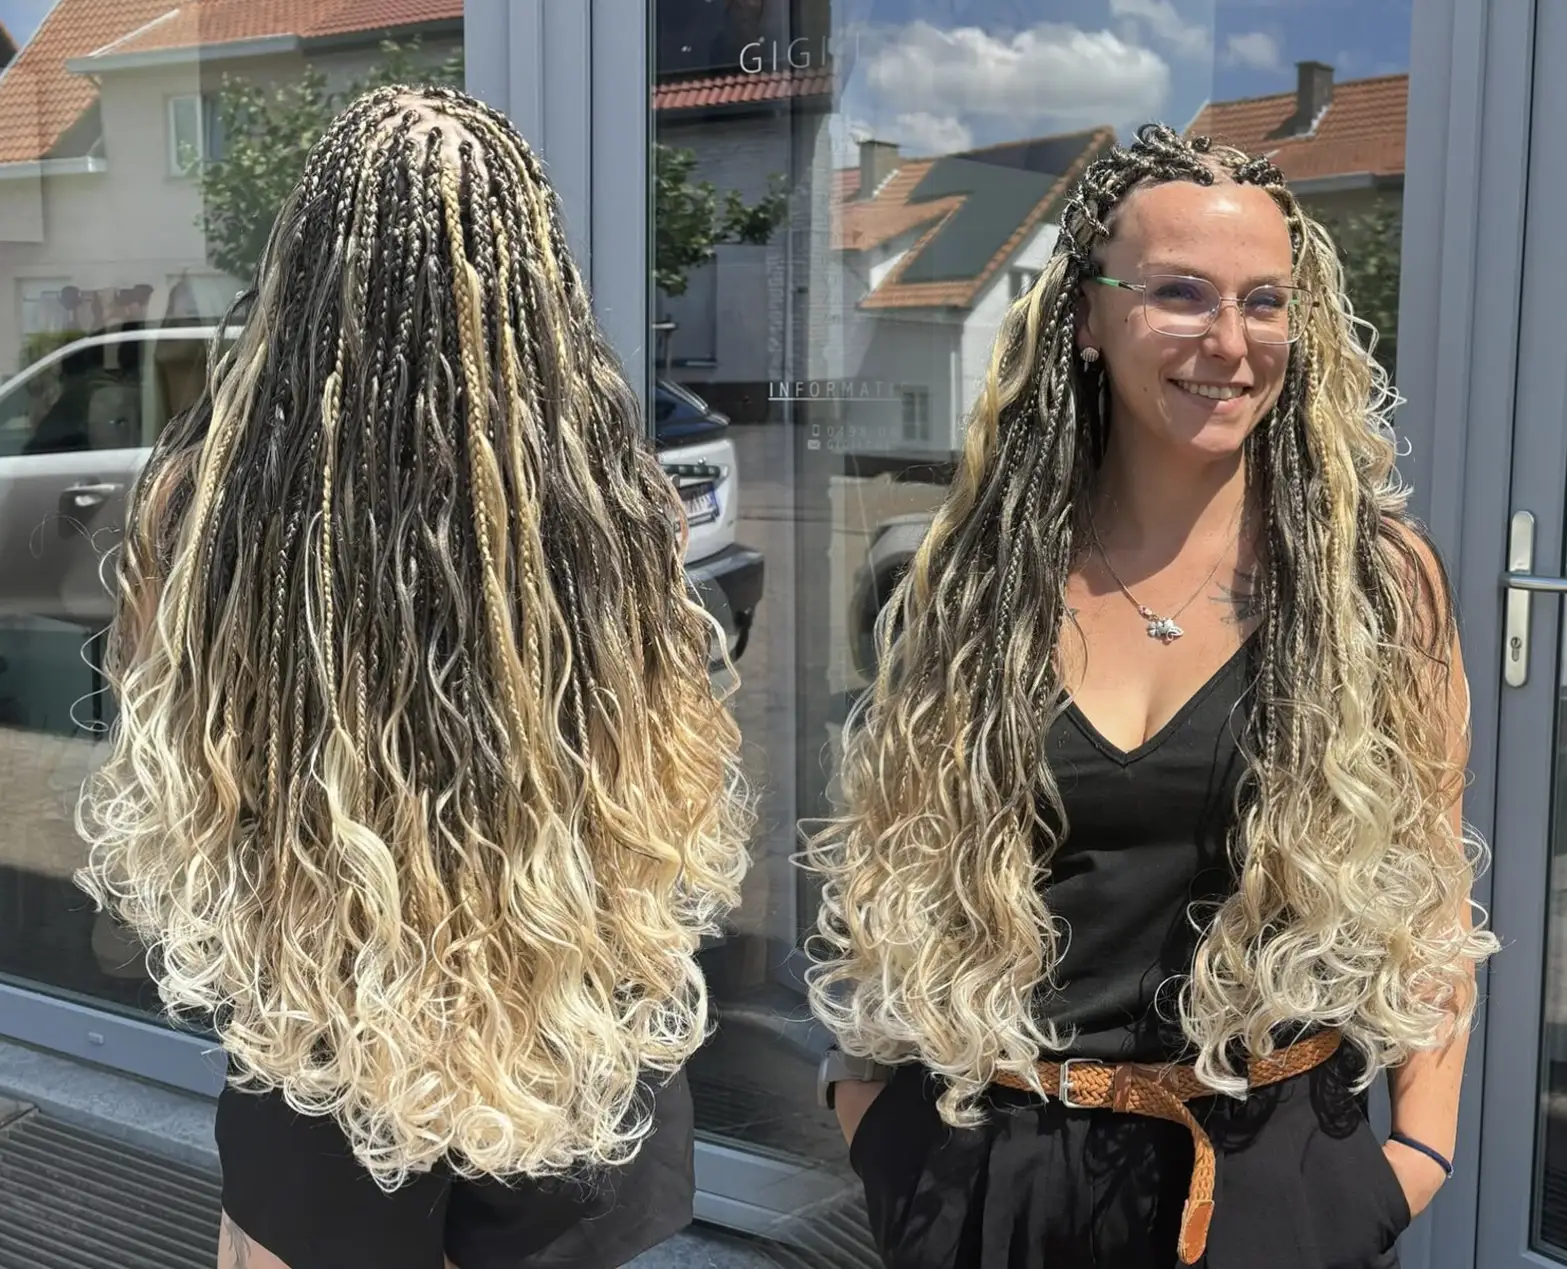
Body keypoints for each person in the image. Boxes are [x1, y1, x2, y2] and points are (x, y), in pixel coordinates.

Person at [75, 84, 751, 1269]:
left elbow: (184, 767)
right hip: (560, 1002)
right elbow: (654, 759)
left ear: (310, 266)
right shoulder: (613, 511)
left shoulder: (211, 512)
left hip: (329, 1007)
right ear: (534, 274)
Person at [804, 123, 1499, 1269]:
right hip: (990, 1166)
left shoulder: (1372, 584)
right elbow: (890, 875)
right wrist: (875, 1124)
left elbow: (1433, 895)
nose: (1228, 341)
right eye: (1179, 293)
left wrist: (1415, 1155)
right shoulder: (972, 580)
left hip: (1264, 1174)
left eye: (1263, 302)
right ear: (1086, 316)